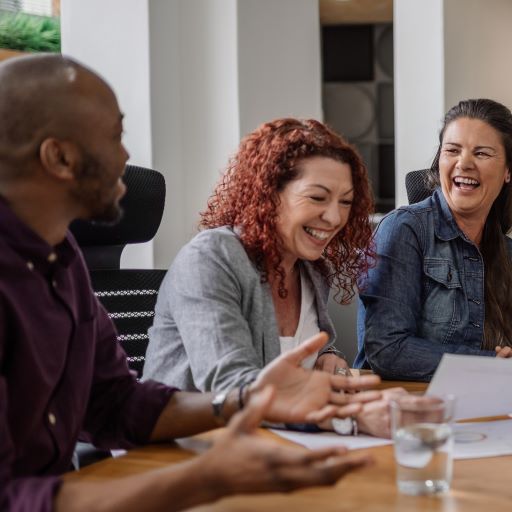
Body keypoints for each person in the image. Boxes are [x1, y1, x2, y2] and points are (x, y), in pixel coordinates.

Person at [0, 54, 385, 512]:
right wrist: (203, 480)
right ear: (59, 157)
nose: (126, 156)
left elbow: (115, 404)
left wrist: (248, 401)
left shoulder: (62, 263)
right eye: (115, 136)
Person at [143, 118, 403, 437]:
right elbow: (231, 388)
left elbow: (306, 351)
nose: (335, 217)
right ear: (268, 195)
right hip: (188, 453)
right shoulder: (211, 258)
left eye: (345, 202)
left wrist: (327, 362)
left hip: (276, 445)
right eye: (318, 198)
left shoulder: (311, 268)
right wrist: (349, 417)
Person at [355, 98, 512, 381]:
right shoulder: (404, 230)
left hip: (483, 407)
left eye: (482, 153)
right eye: (452, 150)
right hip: (405, 412)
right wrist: (488, 364)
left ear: (508, 172)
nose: (464, 163)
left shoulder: (507, 251)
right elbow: (387, 350)